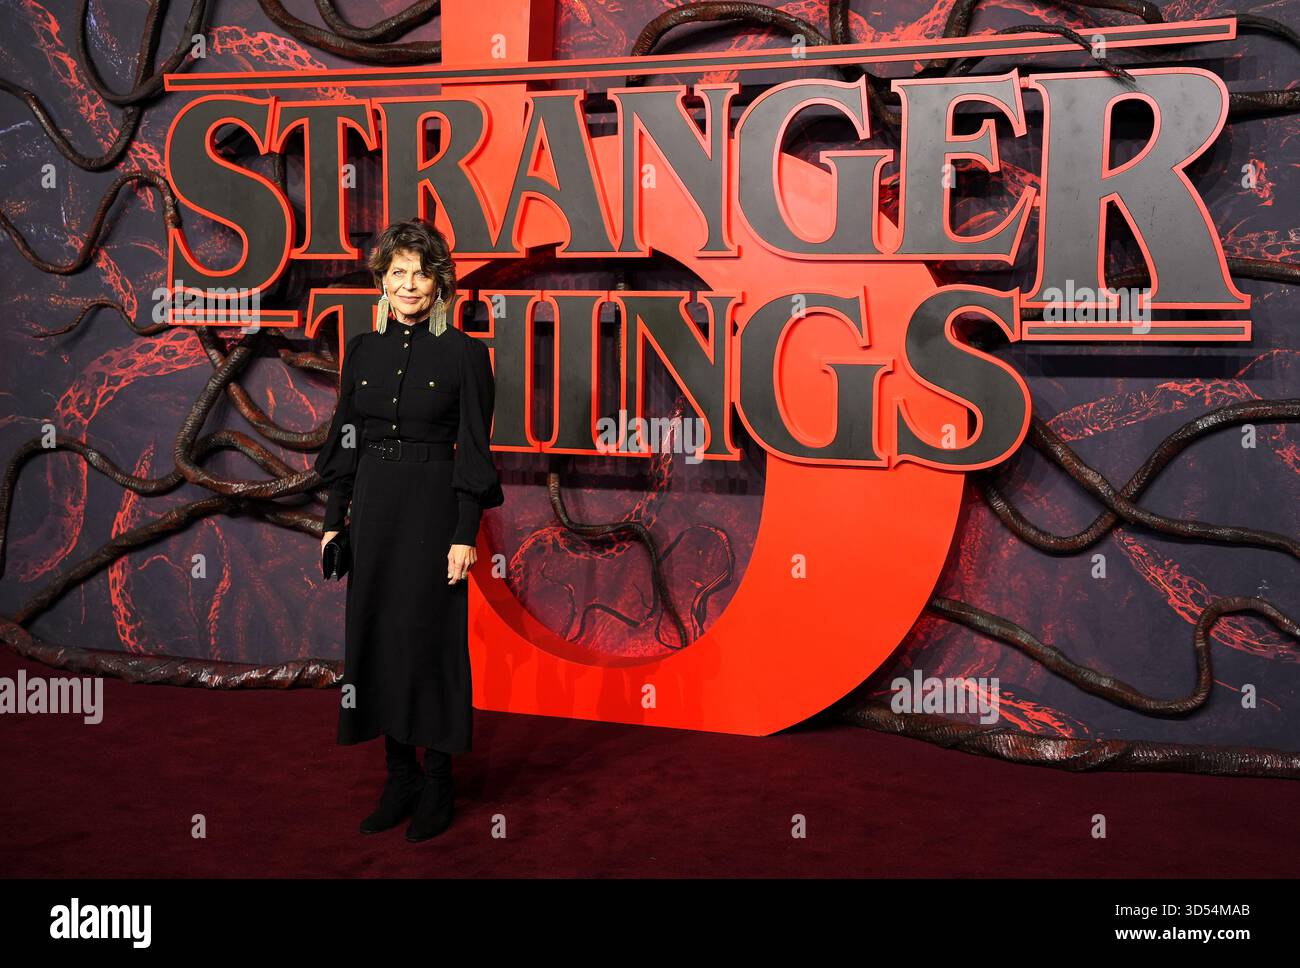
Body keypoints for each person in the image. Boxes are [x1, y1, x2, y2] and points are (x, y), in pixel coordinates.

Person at [313, 217, 504, 842]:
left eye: (422, 273)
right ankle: (400, 777)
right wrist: (332, 523)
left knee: (430, 641)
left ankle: (439, 779)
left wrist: (465, 533)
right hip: (373, 505)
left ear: (440, 283)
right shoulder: (363, 350)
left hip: (432, 508)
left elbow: (474, 450)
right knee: (378, 638)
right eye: (398, 273)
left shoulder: (466, 355)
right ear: (382, 281)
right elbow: (347, 439)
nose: (410, 284)